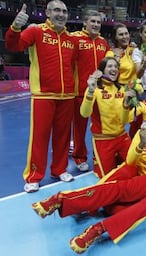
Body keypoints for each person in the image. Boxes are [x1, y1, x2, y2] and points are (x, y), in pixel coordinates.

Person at [5, 1, 77, 193]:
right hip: (43, 95)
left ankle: (59, 169)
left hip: (67, 96)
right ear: (47, 12)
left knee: (63, 137)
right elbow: (13, 45)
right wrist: (16, 27)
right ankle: (34, 176)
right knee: (40, 137)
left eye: (64, 11)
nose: (61, 14)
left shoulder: (71, 39)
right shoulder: (36, 31)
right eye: (56, 10)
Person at [80, 57, 132, 178]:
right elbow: (84, 113)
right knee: (107, 178)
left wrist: (128, 105)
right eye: (110, 66)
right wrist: (90, 92)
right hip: (103, 140)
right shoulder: (95, 88)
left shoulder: (122, 89)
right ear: (102, 70)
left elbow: (125, 120)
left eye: (116, 66)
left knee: (136, 168)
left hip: (122, 137)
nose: (114, 69)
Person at [71, 10, 109, 172]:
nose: (95, 25)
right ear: (85, 23)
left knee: (101, 126)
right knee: (79, 129)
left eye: (98, 22)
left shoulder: (103, 42)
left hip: (100, 93)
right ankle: (79, 157)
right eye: (92, 21)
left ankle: (101, 154)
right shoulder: (75, 39)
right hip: (80, 92)